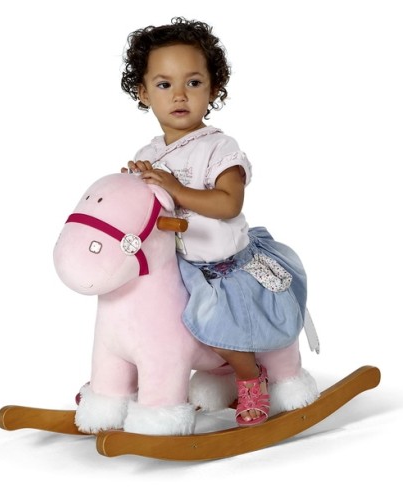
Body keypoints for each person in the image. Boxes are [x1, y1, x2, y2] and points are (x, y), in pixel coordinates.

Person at [120, 17, 307, 426]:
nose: (179, 95)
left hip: (221, 269)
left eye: (194, 82)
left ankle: (250, 377)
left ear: (214, 88)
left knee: (216, 323)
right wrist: (133, 187)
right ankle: (122, 384)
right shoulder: (149, 153)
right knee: (139, 314)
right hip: (177, 266)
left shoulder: (219, 148)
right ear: (144, 92)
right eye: (164, 84)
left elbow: (228, 204)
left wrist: (175, 188)